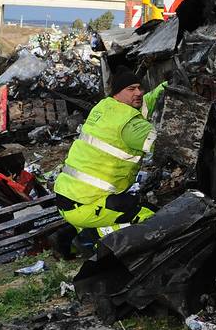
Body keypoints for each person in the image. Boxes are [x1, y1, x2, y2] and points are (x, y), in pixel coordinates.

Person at [53, 68, 164, 239]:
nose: (139, 92)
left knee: (123, 205)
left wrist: (165, 87)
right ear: (118, 93)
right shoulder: (129, 125)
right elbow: (166, 145)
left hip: (67, 195)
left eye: (139, 88)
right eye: (131, 89)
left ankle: (75, 234)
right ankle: (92, 239)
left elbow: (145, 103)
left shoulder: (105, 106)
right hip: (86, 203)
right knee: (148, 216)